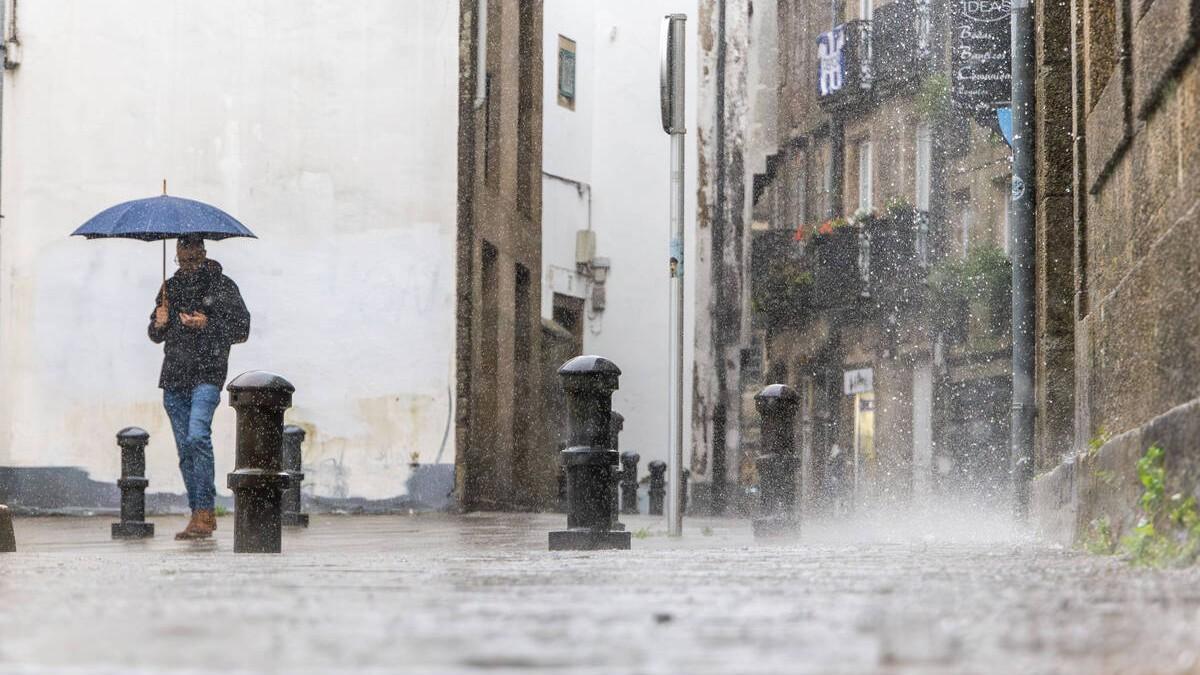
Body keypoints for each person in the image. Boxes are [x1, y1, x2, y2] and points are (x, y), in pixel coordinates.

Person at [148, 236, 250, 540]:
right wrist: (159, 322)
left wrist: (207, 323)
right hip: (174, 377)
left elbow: (242, 329)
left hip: (208, 373)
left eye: (193, 256)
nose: (188, 261)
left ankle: (205, 512)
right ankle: (198, 513)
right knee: (184, 451)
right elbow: (154, 334)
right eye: (183, 256)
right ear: (177, 255)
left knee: (197, 438)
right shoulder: (170, 287)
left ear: (204, 253)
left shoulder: (222, 286)